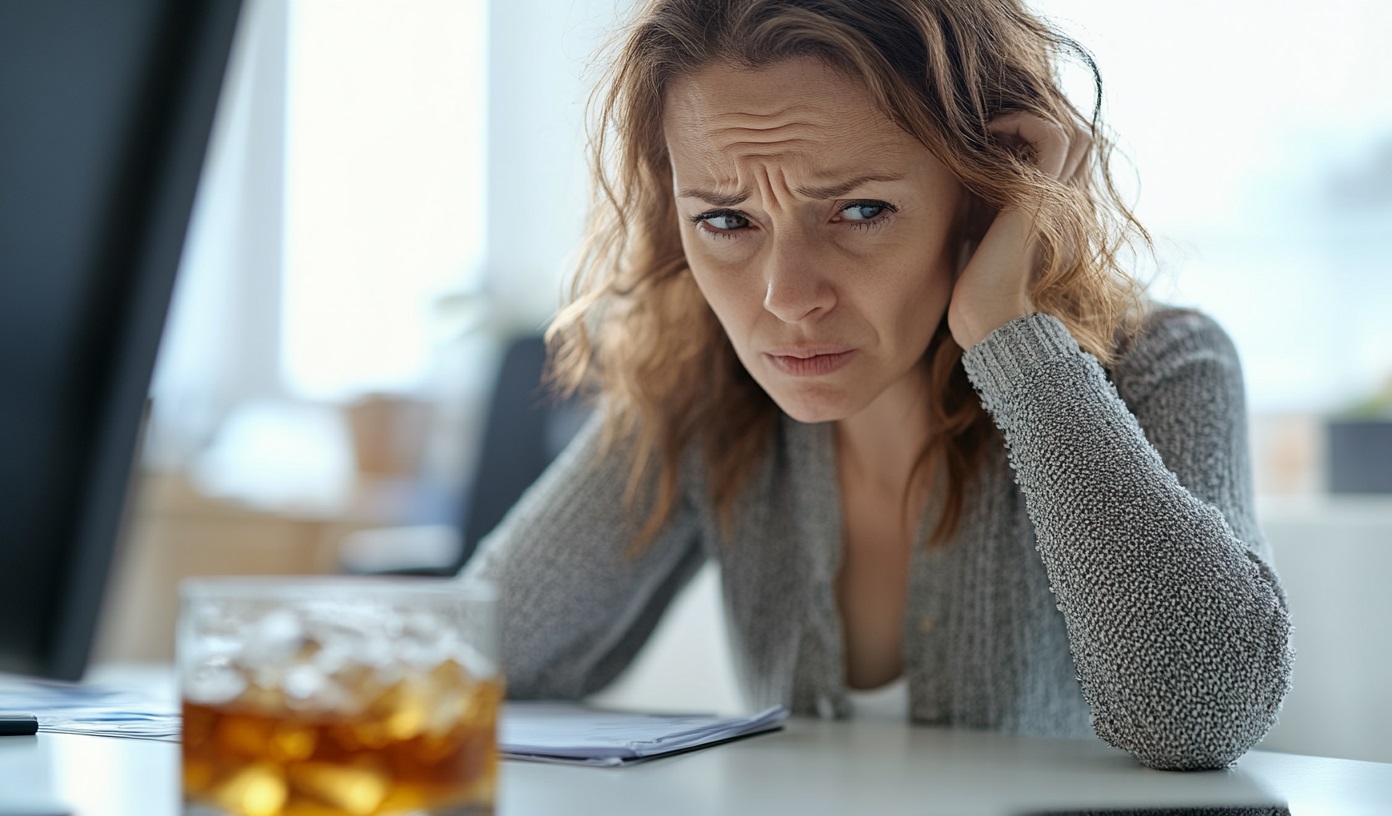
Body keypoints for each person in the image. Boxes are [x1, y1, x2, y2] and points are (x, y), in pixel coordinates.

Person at [465, 0, 1293, 771]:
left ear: (985, 187)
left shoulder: (1164, 365)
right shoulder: (701, 387)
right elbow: (478, 656)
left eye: (861, 211)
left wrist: (1012, 340)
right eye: (725, 220)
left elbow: (1200, 714)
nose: (786, 299)